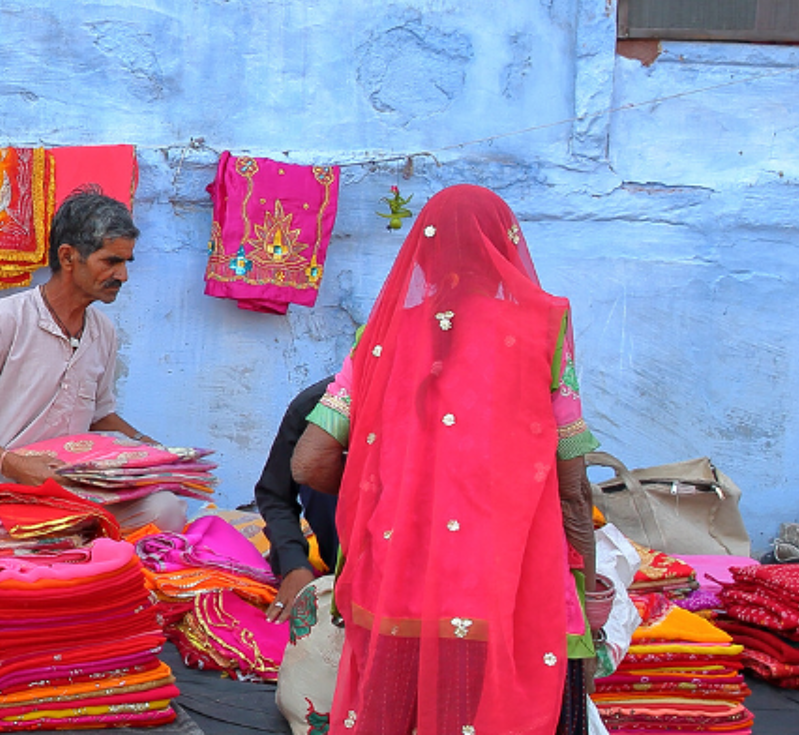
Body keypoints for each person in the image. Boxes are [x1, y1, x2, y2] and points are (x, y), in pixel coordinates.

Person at [290, 185, 601, 735]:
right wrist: (588, 598)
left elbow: (309, 465)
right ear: (507, 246)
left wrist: (397, 488)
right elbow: (572, 482)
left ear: (425, 250)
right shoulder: (545, 327)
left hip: (394, 584)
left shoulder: (382, 336)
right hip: (507, 590)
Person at [0, 189, 187, 531]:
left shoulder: (103, 332)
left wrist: (151, 451)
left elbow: (98, 416)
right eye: (111, 261)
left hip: (73, 498)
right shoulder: (2, 320)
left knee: (166, 508)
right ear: (67, 257)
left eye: (126, 263)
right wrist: (12, 463)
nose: (123, 276)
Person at [255, 377, 340, 624]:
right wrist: (294, 565)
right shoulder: (317, 403)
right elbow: (275, 493)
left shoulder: (447, 410)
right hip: (343, 559)